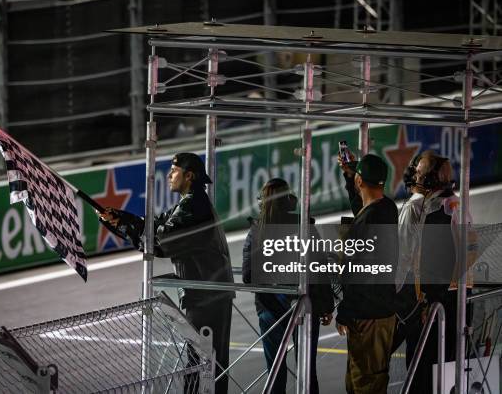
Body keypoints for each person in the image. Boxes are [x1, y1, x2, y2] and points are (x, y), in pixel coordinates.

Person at [98, 152, 234, 394]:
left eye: (174, 171)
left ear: (189, 175)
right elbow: (155, 225)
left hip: (207, 296)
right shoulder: (190, 202)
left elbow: (162, 241)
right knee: (204, 364)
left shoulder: (194, 205)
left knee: (203, 365)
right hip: (206, 294)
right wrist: (120, 219)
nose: (169, 175)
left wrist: (124, 225)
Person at [242, 178, 334, 394]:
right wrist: (326, 306)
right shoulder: (304, 228)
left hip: (269, 308)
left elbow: (248, 275)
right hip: (303, 306)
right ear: (290, 201)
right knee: (307, 371)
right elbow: (320, 268)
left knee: (274, 371)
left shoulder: (257, 232)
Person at [393, 151, 473, 393]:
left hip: (433, 303)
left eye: (419, 172)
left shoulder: (426, 210)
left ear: (428, 179)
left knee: (422, 372)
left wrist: (399, 297)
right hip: (461, 300)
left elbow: (409, 258)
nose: (414, 175)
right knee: (450, 368)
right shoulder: (457, 204)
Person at [337, 152, 399, 394]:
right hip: (380, 311)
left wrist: (344, 312)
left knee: (366, 383)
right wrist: (351, 176)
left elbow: (357, 276)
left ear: (360, 181)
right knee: (364, 379)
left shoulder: (369, 220)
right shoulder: (386, 208)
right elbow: (362, 210)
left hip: (367, 316)